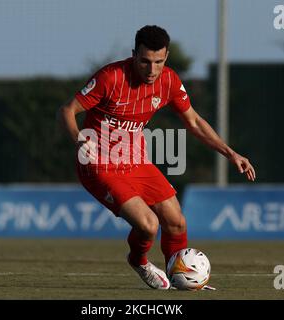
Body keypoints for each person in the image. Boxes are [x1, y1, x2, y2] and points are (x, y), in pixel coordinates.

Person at [59, 25, 256, 290]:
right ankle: (138, 260)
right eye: (145, 61)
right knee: (149, 225)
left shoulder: (170, 81)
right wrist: (80, 139)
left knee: (176, 221)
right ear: (134, 55)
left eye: (159, 62)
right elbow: (68, 110)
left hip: (136, 162)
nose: (152, 70)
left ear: (167, 57)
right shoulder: (112, 77)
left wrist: (230, 153)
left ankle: (181, 277)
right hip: (99, 164)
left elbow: (194, 123)